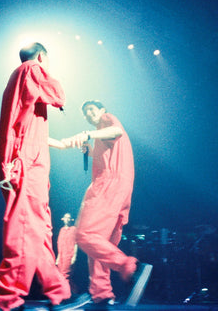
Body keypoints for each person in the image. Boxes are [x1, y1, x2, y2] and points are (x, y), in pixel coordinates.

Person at [0, 42, 78, 311]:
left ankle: (59, 293)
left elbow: (24, 125)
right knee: (26, 228)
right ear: (41, 57)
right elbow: (59, 95)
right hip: (25, 162)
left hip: (28, 160)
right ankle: (5, 298)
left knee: (39, 230)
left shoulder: (22, 78)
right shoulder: (32, 68)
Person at [62, 100, 152, 308]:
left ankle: (131, 267)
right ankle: (102, 295)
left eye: (91, 110)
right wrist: (89, 150)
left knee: (85, 235)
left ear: (102, 110)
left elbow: (115, 131)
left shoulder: (106, 120)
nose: (88, 115)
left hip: (108, 185)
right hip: (121, 187)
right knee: (101, 244)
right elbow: (106, 152)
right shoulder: (103, 138)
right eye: (85, 113)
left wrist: (88, 134)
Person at [56, 213, 78, 291]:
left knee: (65, 274)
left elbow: (76, 243)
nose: (67, 219)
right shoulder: (62, 230)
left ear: (71, 219)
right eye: (66, 217)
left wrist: (74, 256)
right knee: (61, 276)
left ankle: (65, 294)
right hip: (61, 256)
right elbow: (60, 244)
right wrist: (58, 258)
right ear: (63, 219)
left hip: (69, 256)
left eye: (69, 218)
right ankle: (74, 292)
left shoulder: (74, 229)